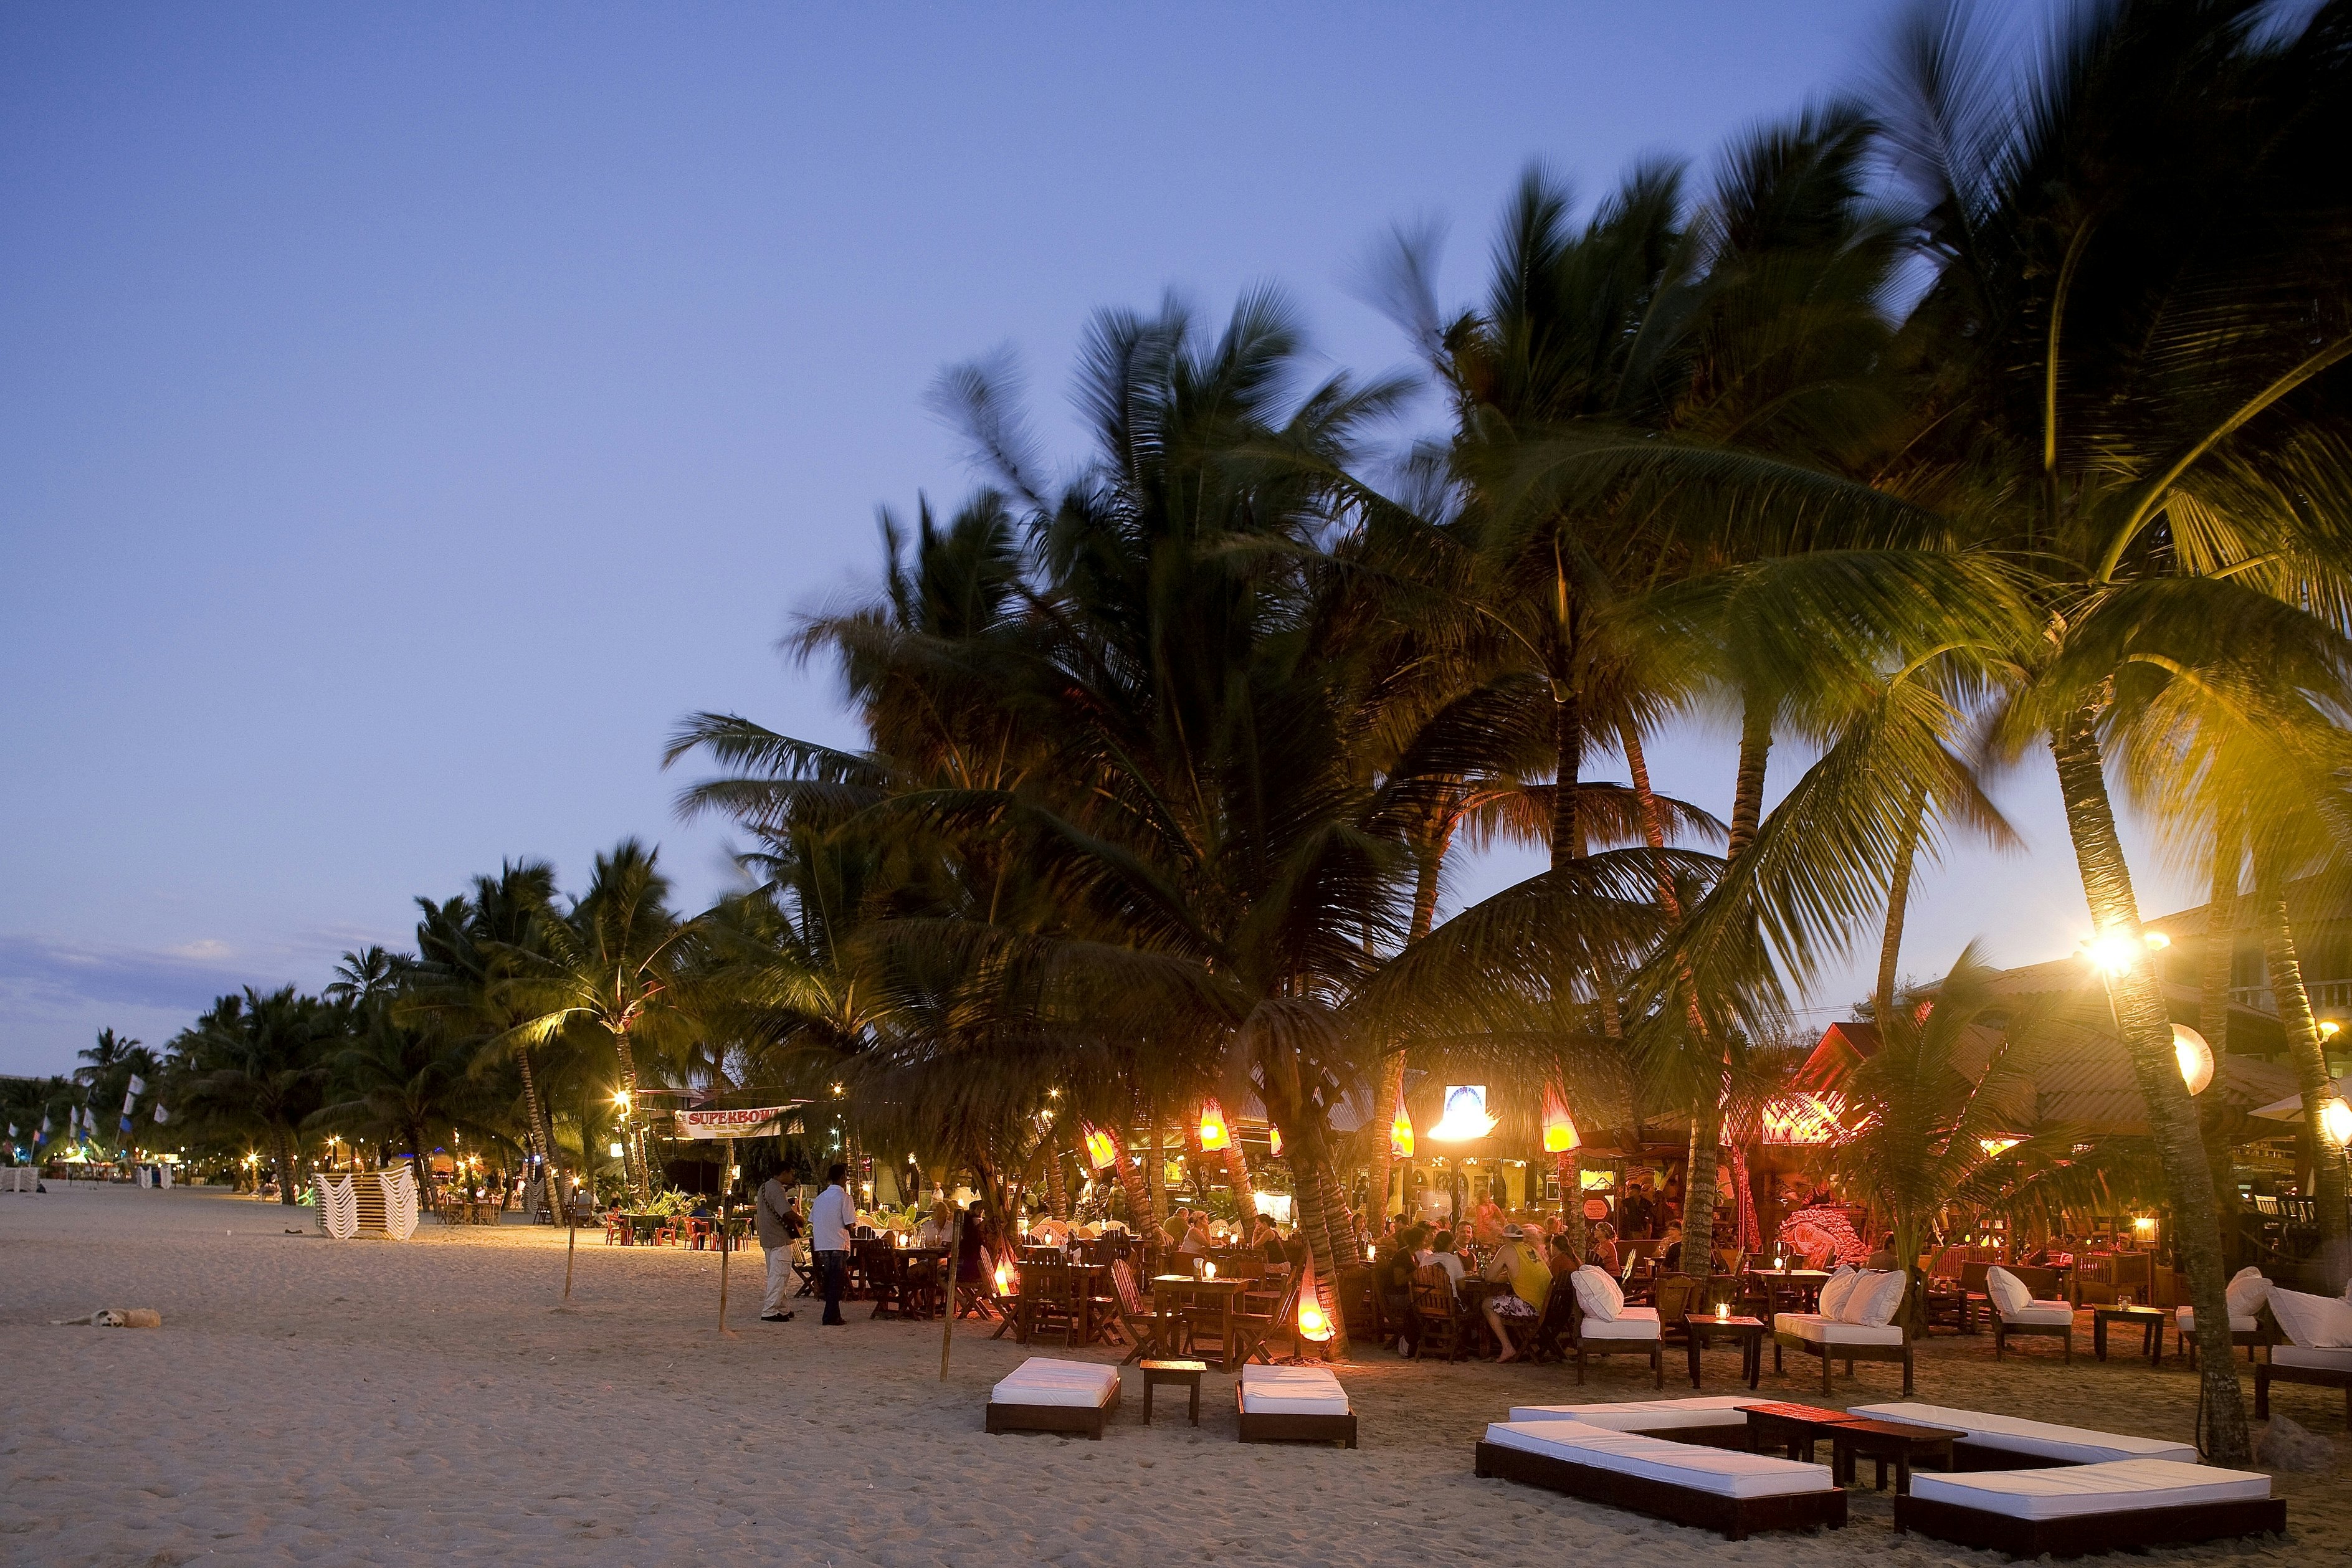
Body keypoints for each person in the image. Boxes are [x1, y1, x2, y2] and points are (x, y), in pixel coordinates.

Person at [1481, 1225, 1553, 1362]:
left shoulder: (1507, 1249)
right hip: (1546, 1305)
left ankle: (1507, 1347)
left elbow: (1489, 1277)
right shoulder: (1531, 1250)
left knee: (1487, 1304)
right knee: (1507, 1300)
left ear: (1505, 1238)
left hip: (1532, 1307)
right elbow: (1519, 1274)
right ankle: (1528, 1344)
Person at [753, 1172, 803, 1323]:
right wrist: (800, 1219)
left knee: (776, 1274)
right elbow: (787, 1213)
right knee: (779, 1276)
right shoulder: (777, 1189)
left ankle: (783, 1307)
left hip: (768, 1238)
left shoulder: (764, 1187)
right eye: (791, 1174)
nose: (792, 1177)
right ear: (784, 1173)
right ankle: (770, 1310)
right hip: (779, 1239)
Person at [811, 1162, 855, 1326]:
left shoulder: (820, 1198)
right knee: (837, 1281)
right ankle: (829, 1316)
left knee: (830, 1280)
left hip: (822, 1244)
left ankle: (833, 1315)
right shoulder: (845, 1198)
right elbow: (849, 1223)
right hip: (838, 1242)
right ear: (843, 1178)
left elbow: (813, 1220)